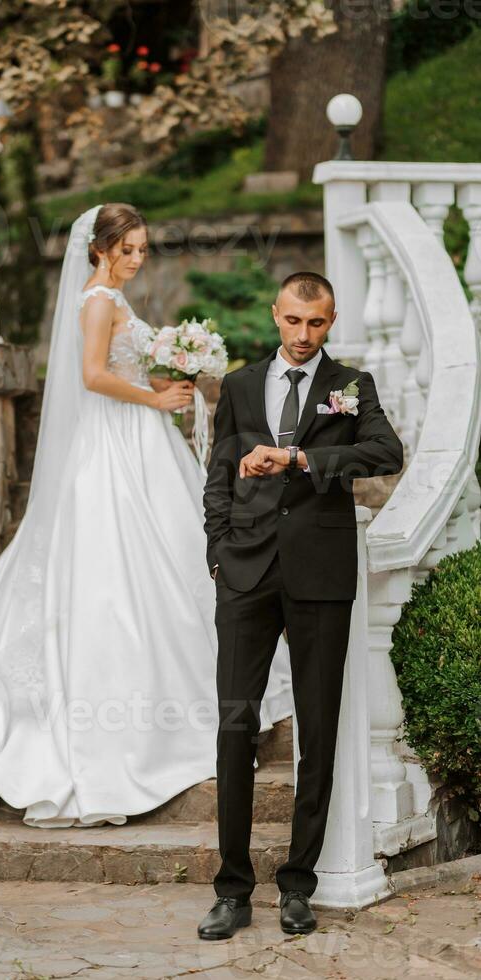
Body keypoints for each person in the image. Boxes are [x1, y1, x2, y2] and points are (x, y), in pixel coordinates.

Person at [0, 203, 292, 827]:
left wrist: (170, 372)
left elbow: (116, 363)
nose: (138, 259)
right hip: (113, 443)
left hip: (137, 437)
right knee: (120, 564)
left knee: (174, 553)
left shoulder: (111, 297)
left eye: (143, 249)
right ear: (100, 248)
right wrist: (155, 395)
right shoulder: (97, 301)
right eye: (129, 249)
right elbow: (91, 376)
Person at [198, 271, 404, 938]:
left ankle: (298, 883)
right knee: (236, 727)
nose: (302, 336)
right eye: (292, 322)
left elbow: (384, 451)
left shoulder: (349, 387)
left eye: (315, 325)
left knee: (317, 731)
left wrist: (298, 459)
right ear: (276, 315)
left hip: (319, 573)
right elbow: (219, 473)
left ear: (331, 321)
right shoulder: (236, 386)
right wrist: (219, 551)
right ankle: (231, 889)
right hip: (247, 573)